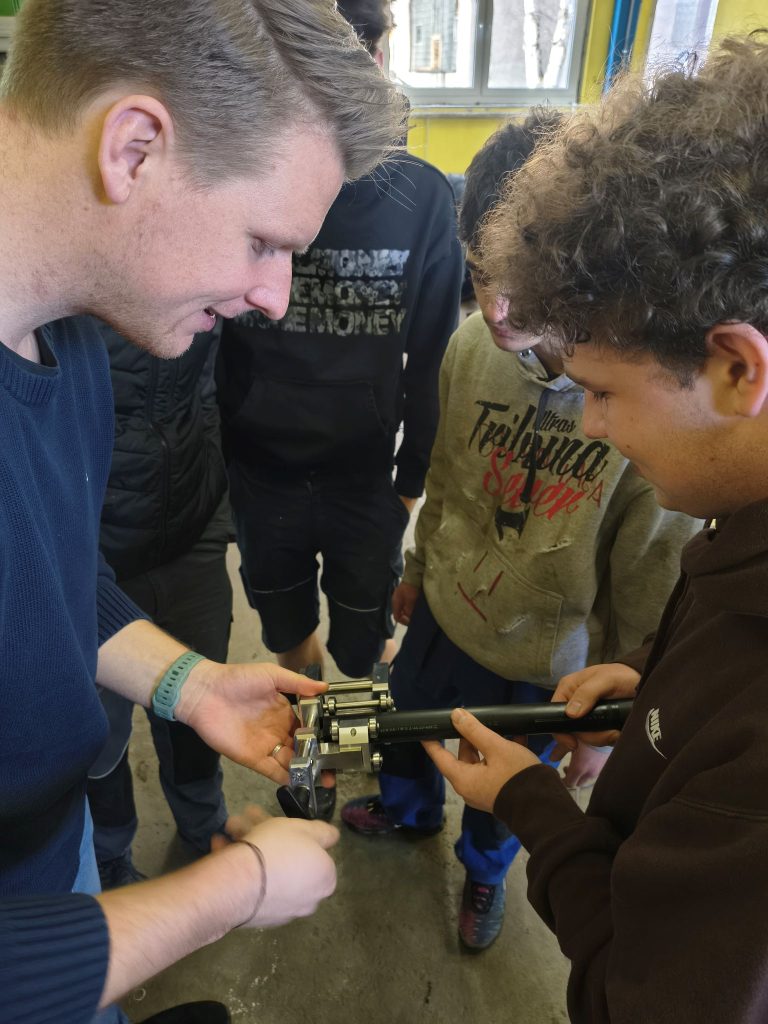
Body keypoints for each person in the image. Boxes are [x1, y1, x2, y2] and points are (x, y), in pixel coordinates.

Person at [0, 1, 404, 1022]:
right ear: (134, 148)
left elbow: (44, 575)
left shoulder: (72, 334)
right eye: (265, 240)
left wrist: (190, 683)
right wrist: (236, 889)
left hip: (47, 863)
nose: (275, 296)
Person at [426, 34, 768, 1022]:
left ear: (737, 369)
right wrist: (663, 684)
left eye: (604, 391)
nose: (590, 423)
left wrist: (533, 808)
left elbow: (631, 992)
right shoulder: (733, 531)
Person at [341, 110, 701, 952]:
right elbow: (445, 473)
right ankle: (406, 814)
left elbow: (645, 576)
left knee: (504, 798)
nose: (498, 309)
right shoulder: (469, 347)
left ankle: (483, 874)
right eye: (479, 272)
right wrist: (418, 565)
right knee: (410, 733)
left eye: (525, 287)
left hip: (542, 662)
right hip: (443, 613)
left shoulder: (642, 402)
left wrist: (611, 717)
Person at [218, 0, 463, 694]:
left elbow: (435, 360)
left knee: (364, 637)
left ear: (379, 61)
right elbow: (206, 341)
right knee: (284, 625)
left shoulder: (421, 199)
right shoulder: (238, 178)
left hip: (366, 481)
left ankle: (356, 729)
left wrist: (409, 488)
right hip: (261, 476)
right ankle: (306, 723)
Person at [87, 320, 235, 890]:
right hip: (91, 550)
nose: (270, 297)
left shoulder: (201, 269)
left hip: (188, 533)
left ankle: (204, 818)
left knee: (201, 705)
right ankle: (108, 851)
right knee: (97, 734)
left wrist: (210, 494)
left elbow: (205, 383)